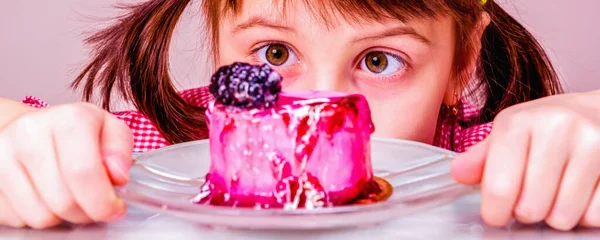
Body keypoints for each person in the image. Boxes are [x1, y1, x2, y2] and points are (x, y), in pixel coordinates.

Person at [0, 0, 598, 231]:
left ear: (462, 61)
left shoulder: (492, 168)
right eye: (276, 54)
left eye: (380, 59)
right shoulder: (161, 153)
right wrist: (23, 146)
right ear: (215, 39)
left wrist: (584, 137)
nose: (320, 109)